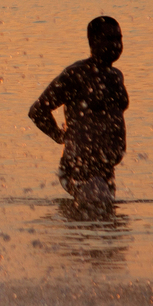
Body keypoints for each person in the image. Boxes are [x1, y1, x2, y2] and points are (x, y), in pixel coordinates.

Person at [29, 16, 129, 204]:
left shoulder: (116, 75)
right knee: (95, 216)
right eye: (110, 39)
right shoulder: (77, 74)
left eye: (119, 38)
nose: (116, 44)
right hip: (80, 167)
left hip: (105, 170)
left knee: (104, 219)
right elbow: (38, 110)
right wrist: (60, 136)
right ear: (93, 41)